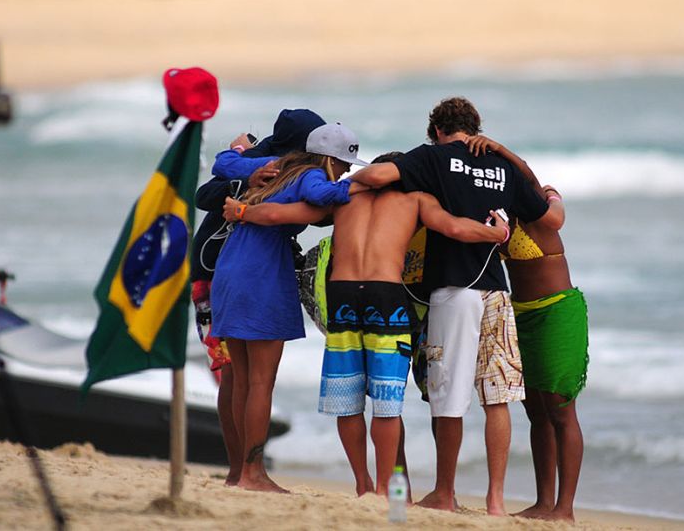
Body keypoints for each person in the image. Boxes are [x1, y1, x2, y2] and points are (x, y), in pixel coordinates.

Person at [224, 151, 511, 498]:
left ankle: (361, 485)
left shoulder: (345, 196)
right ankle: (385, 487)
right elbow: (453, 227)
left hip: (343, 295)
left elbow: (280, 213)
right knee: (386, 402)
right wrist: (495, 233)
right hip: (385, 296)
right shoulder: (416, 198)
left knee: (348, 398)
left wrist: (242, 211)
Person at [348, 97, 562, 515]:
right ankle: (495, 502)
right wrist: (551, 195)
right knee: (496, 395)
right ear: (475, 127)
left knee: (434, 397)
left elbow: (377, 175)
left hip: (445, 293)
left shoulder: (431, 160)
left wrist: (344, 183)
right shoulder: (502, 168)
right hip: (496, 292)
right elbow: (550, 219)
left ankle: (432, 495)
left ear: (436, 131)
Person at [210, 122, 369, 493]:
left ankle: (240, 472)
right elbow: (326, 193)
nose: (346, 170)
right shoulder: (313, 174)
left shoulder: (278, 165)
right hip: (261, 273)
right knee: (262, 382)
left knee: (243, 382)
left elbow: (224, 165)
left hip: (230, 270)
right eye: (345, 164)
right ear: (330, 159)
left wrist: (240, 156)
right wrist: (358, 185)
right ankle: (253, 475)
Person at [190, 108, 325, 485]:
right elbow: (204, 194)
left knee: (236, 377)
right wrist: (245, 180)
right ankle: (244, 471)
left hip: (228, 274)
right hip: (213, 275)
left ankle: (239, 473)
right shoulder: (270, 163)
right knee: (233, 376)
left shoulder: (262, 158)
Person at [467, 135, 589, 523]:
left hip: (557, 312)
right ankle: (542, 502)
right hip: (520, 314)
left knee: (560, 408)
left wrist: (500, 150)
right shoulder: (498, 215)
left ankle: (564, 508)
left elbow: (529, 176)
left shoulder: (538, 208)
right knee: (535, 411)